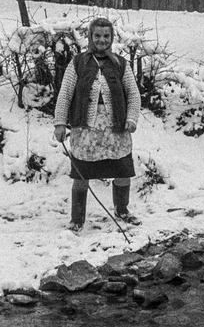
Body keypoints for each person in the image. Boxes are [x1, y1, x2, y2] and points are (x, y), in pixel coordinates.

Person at [53, 17, 142, 232]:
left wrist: (131, 118)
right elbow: (65, 94)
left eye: (106, 36)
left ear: (111, 38)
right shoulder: (78, 63)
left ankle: (122, 210)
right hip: (85, 129)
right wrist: (60, 123)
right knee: (81, 173)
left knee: (122, 170)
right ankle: (77, 219)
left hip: (115, 129)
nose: (102, 40)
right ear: (90, 37)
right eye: (97, 36)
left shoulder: (121, 64)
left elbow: (133, 94)